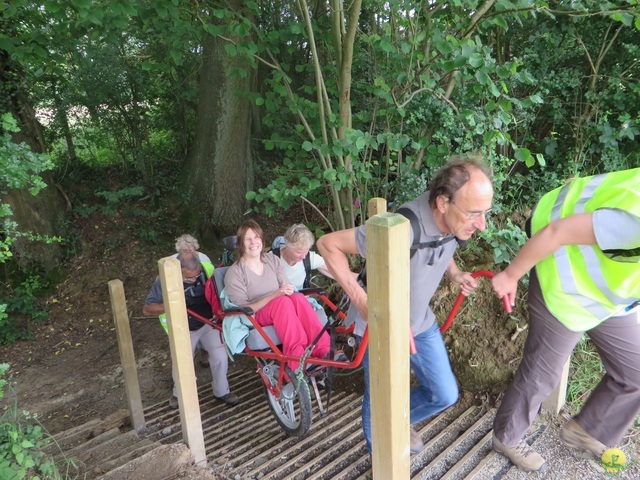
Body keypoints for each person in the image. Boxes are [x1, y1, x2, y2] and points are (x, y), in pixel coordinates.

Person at [317, 155, 494, 455]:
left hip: (419, 322)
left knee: (444, 393)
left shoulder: (454, 222)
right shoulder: (403, 228)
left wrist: (454, 273)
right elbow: (327, 244)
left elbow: (445, 240)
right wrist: (361, 299)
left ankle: (399, 422)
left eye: (486, 212)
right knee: (381, 401)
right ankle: (382, 462)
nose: (483, 225)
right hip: (381, 326)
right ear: (442, 203)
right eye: (474, 214)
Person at [489, 168, 640, 472]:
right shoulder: (632, 224)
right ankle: (507, 436)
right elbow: (556, 233)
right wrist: (511, 275)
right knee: (543, 371)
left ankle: (586, 430)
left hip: (606, 296)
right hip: (561, 276)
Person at [224, 220, 333, 371]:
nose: (253, 242)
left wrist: (286, 291)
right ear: (241, 243)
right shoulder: (235, 272)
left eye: (256, 237)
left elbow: (285, 286)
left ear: (262, 240)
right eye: (248, 239)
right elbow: (243, 309)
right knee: (283, 302)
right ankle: (297, 358)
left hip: (280, 305)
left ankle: (324, 349)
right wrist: (275, 296)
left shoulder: (272, 260)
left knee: (297, 297)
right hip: (257, 313)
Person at [143, 251, 239, 408]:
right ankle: (178, 395)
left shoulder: (208, 269)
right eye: (189, 278)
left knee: (220, 357)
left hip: (208, 322)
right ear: (179, 269)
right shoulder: (164, 280)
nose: (194, 279)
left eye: (197, 275)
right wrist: (173, 304)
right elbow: (147, 309)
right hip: (184, 327)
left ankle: (222, 392)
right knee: (182, 363)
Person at [172, 233, 211, 368]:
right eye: (184, 250)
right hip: (185, 316)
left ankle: (204, 354)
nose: (188, 253)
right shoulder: (172, 264)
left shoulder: (203, 259)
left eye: (191, 250)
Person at [272, 224, 334, 290]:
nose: (303, 256)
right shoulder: (271, 259)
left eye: (306, 251)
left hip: (298, 297)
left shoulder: (309, 258)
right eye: (299, 252)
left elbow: (333, 271)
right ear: (287, 247)